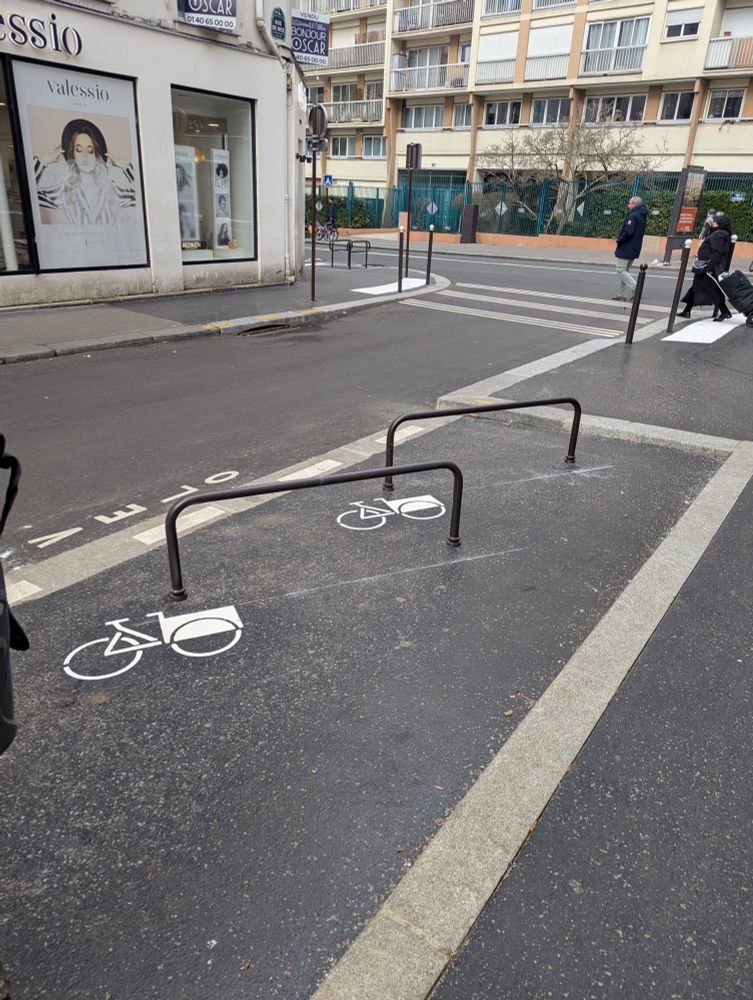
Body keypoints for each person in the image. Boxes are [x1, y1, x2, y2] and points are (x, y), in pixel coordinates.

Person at [34, 118, 136, 226]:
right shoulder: (62, 192)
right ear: (73, 154)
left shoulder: (112, 190)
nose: (84, 155)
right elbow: (29, 193)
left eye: (90, 150)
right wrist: (43, 161)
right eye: (78, 150)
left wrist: (125, 166)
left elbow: (142, 195)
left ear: (96, 155)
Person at [679, 213, 733, 321]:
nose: (713, 222)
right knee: (696, 287)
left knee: (711, 289)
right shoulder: (721, 233)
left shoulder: (719, 234)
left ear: (720, 224)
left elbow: (715, 253)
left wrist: (708, 268)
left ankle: (725, 312)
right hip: (708, 266)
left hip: (708, 267)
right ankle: (687, 310)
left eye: (715, 221)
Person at [613, 196, 648, 302]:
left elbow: (628, 232)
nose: (628, 206)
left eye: (629, 204)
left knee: (620, 270)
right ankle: (622, 294)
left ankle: (636, 288)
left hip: (626, 247)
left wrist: (619, 240)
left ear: (634, 204)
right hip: (635, 247)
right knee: (625, 270)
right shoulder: (642, 216)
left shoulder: (633, 216)